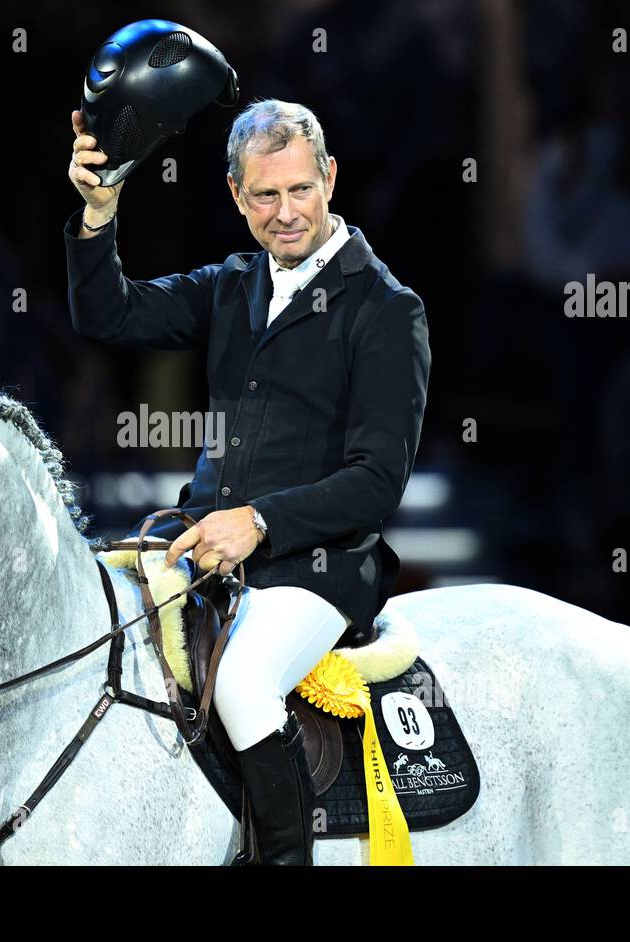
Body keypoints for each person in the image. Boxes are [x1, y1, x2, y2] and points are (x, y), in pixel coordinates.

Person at [64, 98, 431, 864]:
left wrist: (259, 522)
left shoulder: (388, 309)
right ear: (236, 194)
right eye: (266, 195)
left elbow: (376, 482)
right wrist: (98, 217)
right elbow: (111, 314)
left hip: (318, 565)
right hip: (202, 542)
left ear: (330, 177)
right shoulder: (232, 284)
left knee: (241, 683)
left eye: (301, 189)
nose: (286, 212)